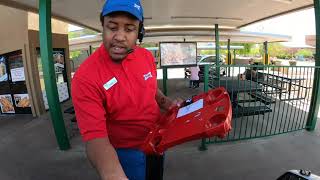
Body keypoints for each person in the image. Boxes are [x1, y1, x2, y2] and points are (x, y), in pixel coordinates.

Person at [71, 0, 182, 179]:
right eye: (112, 27)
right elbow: (96, 140)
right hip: (125, 153)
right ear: (102, 27)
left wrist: (169, 104)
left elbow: (152, 90)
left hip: (158, 140)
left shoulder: (146, 57)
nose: (120, 36)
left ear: (140, 32)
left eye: (129, 29)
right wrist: (112, 173)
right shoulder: (85, 77)